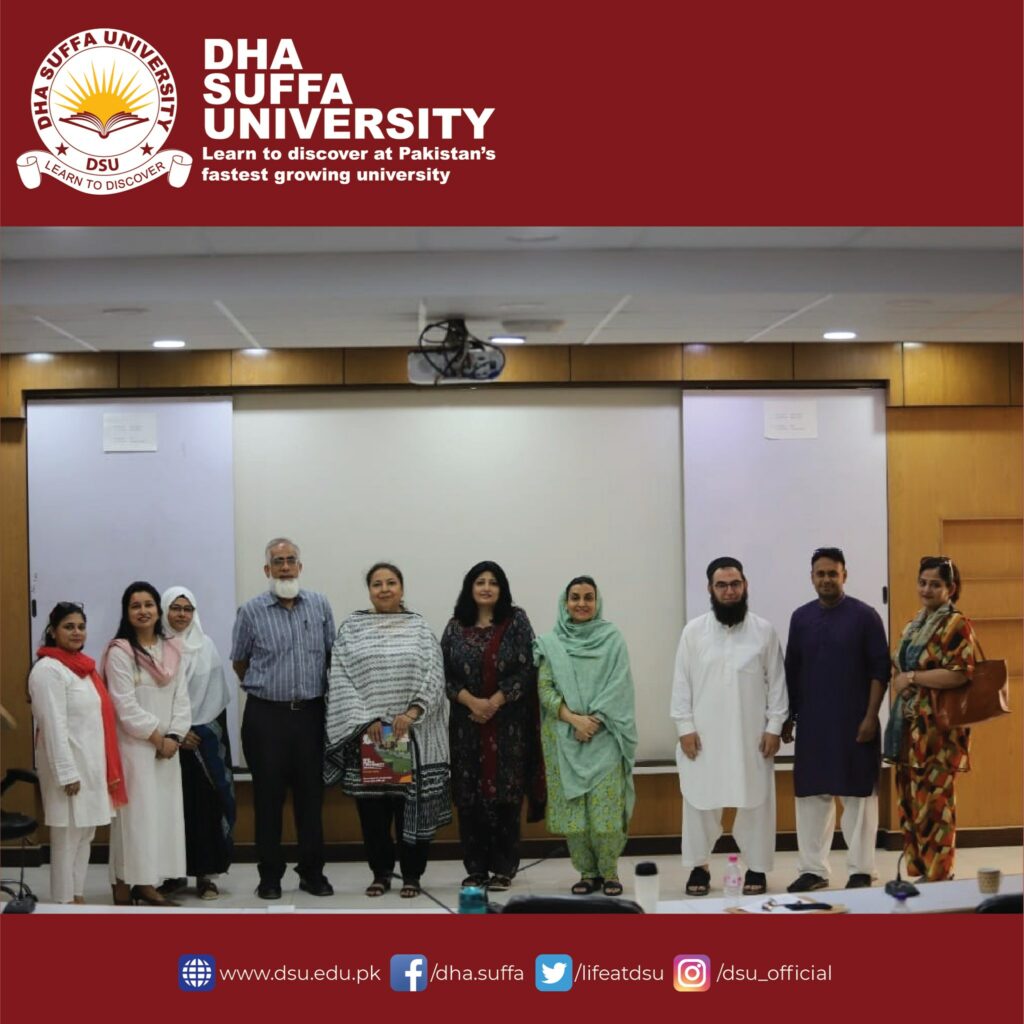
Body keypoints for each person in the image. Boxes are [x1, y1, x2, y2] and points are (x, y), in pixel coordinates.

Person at [324, 563, 450, 899]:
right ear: (369, 591)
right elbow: (340, 676)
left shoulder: (419, 628)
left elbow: (435, 674)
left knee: (410, 808)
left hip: (413, 736)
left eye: (391, 582)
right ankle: (380, 874)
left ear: (402, 588)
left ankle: (412, 875)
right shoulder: (352, 628)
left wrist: (412, 713)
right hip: (372, 737)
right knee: (374, 813)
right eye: (377, 584)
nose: (384, 589)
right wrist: (366, 721)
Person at [670, 556, 788, 897]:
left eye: (735, 584)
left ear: (745, 585)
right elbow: (681, 683)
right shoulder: (693, 632)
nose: (729, 591)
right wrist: (684, 727)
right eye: (721, 585)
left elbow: (777, 683)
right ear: (710, 589)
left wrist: (774, 726)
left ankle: (757, 867)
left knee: (756, 800)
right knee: (699, 800)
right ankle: (699, 866)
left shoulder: (764, 631)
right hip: (703, 736)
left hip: (751, 735)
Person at [230, 538, 336, 899]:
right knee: (267, 800)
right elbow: (240, 662)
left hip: (310, 716)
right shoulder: (250, 611)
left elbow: (330, 656)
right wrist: (269, 687)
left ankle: (312, 873)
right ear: (267, 570)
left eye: (291, 560)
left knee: (311, 800)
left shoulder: (319, 605)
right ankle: (270, 876)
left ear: (300, 567)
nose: (286, 567)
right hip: (267, 719)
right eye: (278, 561)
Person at [783, 548, 890, 892]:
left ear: (845, 576)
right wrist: (788, 718)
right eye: (821, 574)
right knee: (811, 797)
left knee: (859, 797)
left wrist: (871, 716)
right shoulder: (801, 618)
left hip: (856, 722)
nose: (827, 579)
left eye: (833, 573)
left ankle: (862, 869)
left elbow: (880, 671)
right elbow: (792, 670)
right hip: (814, 724)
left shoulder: (865, 617)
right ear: (812, 577)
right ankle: (813, 870)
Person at [441, 561, 545, 891]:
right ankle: (475, 869)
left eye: (493, 582)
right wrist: (472, 702)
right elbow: (443, 673)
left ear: (502, 589)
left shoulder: (516, 621)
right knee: (469, 797)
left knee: (506, 797)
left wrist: (495, 701)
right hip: (466, 725)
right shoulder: (455, 627)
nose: (486, 587)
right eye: (480, 582)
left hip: (508, 725)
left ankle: (503, 868)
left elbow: (528, 668)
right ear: (469, 587)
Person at [533, 576, 637, 897]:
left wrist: (593, 721)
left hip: (605, 737)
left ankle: (609, 871)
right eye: (575, 597)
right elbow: (545, 688)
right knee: (576, 817)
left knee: (606, 816)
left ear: (597, 601)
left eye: (588, 597)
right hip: (565, 739)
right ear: (565, 603)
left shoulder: (612, 638)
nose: (581, 603)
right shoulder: (552, 643)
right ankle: (587, 872)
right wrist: (573, 719)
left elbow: (619, 686)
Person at [886, 556, 979, 882]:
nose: (926, 589)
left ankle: (940, 874)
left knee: (935, 802)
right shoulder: (915, 624)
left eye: (935, 584)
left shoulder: (957, 624)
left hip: (938, 732)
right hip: (909, 727)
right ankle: (924, 870)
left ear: (950, 588)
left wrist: (912, 677)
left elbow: (960, 674)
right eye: (922, 582)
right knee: (912, 800)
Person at [27, 602, 127, 904]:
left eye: (81, 627)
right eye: (68, 626)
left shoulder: (84, 668)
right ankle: (63, 901)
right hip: (67, 769)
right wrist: (66, 773)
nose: (76, 632)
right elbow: (53, 726)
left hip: (92, 766)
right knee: (66, 837)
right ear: (53, 631)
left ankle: (77, 895)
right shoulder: (48, 670)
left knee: (85, 834)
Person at [103, 582, 191, 906]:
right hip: (135, 748)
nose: (143, 611)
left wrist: (174, 738)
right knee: (135, 818)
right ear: (126, 612)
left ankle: (149, 882)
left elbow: (182, 699)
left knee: (162, 817)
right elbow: (123, 705)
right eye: (135, 606)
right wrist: (157, 738)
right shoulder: (120, 652)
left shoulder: (173, 649)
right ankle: (124, 880)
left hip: (167, 752)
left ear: (158, 609)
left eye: (148, 604)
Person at [158, 586, 235, 901]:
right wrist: (176, 731)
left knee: (206, 807)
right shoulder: (155, 648)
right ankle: (171, 875)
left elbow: (215, 697)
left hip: (203, 740)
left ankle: (207, 876)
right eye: (175, 608)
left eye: (187, 609)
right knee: (171, 811)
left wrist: (196, 730)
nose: (181, 614)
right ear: (165, 611)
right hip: (166, 743)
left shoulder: (206, 646)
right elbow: (152, 696)